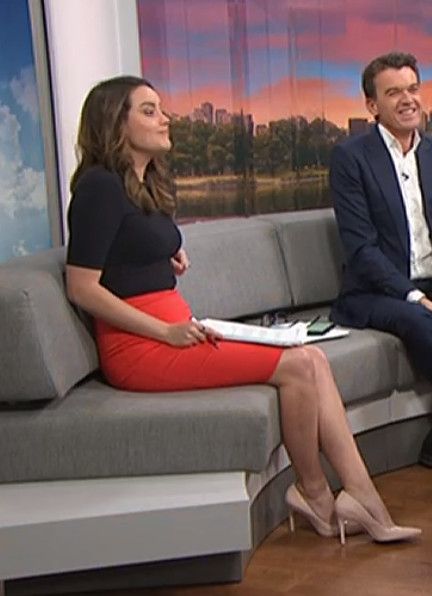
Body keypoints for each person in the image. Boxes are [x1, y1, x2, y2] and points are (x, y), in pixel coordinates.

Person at [66, 75, 420, 544]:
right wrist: (164, 331)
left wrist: (165, 255)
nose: (165, 119)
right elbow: (82, 288)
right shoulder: (99, 187)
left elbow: (125, 249)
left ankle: (360, 496)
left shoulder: (141, 184)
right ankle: (315, 492)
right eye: (149, 111)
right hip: (141, 347)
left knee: (313, 358)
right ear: (115, 123)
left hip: (175, 325)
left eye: (161, 108)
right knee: (298, 366)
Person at [329, 52, 432, 468]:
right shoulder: (351, 158)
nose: (408, 99)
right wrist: (415, 296)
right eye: (394, 93)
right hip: (376, 291)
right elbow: (361, 249)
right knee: (421, 320)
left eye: (413, 89)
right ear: (372, 105)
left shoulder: (431, 153)